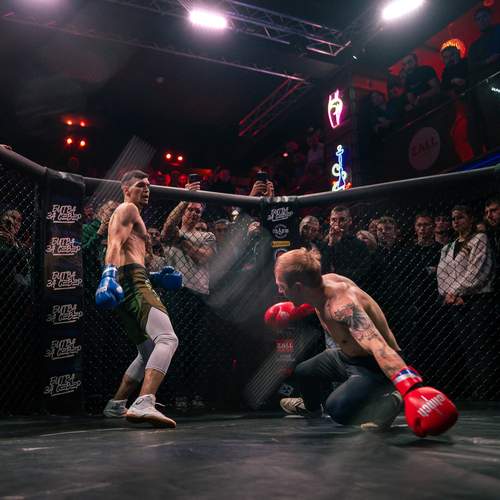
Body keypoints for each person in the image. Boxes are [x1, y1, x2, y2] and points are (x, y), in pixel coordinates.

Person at [267, 248, 457, 436]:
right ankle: (312, 409)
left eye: (281, 286)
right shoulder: (323, 285)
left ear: (298, 287)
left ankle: (391, 400)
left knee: (338, 409)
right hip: (347, 356)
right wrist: (298, 309)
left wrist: (410, 387)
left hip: (375, 365)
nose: (280, 291)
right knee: (304, 372)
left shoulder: (342, 306)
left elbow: (379, 347)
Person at [96, 170, 182, 428]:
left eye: (148, 186)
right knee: (167, 339)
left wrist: (156, 277)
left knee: (147, 352)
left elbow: (128, 255)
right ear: (126, 189)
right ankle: (144, 402)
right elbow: (114, 244)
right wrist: (108, 274)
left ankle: (116, 404)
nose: (146, 190)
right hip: (132, 281)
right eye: (140, 185)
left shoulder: (133, 215)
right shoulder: (128, 209)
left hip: (130, 279)